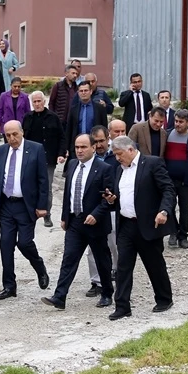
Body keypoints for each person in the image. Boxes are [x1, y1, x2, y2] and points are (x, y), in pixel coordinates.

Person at [101, 136, 176, 319]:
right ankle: (122, 306)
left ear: (130, 149)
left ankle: (164, 298)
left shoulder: (152, 163)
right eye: (115, 155)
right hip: (126, 225)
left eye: (119, 154)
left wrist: (164, 211)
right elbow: (122, 196)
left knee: (154, 264)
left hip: (148, 224)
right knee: (123, 266)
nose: (117, 158)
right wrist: (113, 200)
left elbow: (168, 189)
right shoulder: (119, 170)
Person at [43, 134, 115, 310]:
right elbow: (68, 193)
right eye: (77, 147)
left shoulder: (104, 168)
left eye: (83, 147)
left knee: (101, 259)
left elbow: (109, 198)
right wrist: (64, 217)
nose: (80, 150)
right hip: (75, 221)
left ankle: (107, 293)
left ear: (92, 148)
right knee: (69, 258)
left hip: (95, 223)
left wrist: (96, 214)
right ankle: (60, 296)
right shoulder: (73, 164)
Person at [0, 120, 50, 299]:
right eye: (7, 135)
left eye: (14, 134)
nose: (11, 138)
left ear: (22, 132)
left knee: (24, 242)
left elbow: (43, 180)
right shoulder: (1, 151)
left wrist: (42, 206)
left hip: (26, 206)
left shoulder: (36, 149)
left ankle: (39, 267)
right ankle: (9, 286)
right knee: (6, 245)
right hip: (6, 205)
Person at [22, 90, 64, 228]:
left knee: (47, 187)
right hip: (30, 159)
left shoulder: (53, 117)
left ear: (44, 102)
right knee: (29, 186)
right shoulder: (28, 117)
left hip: (48, 158)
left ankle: (47, 214)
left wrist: (61, 153)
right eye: (34, 101)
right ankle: (30, 212)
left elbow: (61, 137)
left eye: (39, 101)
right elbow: (23, 138)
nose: (37, 104)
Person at [85, 124, 118, 298]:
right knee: (92, 248)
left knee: (113, 245)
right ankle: (96, 281)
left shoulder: (116, 157)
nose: (99, 145)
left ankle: (117, 273)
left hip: (112, 209)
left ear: (108, 139)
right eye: (95, 142)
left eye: (102, 141)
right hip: (93, 210)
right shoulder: (88, 160)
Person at [164, 108, 188, 249]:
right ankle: (173, 232)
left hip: (186, 181)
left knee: (185, 209)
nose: (178, 124)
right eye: (176, 121)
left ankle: (183, 236)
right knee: (170, 207)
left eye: (181, 122)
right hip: (169, 180)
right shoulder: (167, 135)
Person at [62, 81, 109, 163]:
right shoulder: (74, 109)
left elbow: (104, 127)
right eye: (81, 91)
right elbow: (69, 129)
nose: (83, 93)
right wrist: (67, 148)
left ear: (91, 91)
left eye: (86, 90)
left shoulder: (99, 108)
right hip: (78, 146)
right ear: (78, 92)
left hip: (95, 145)